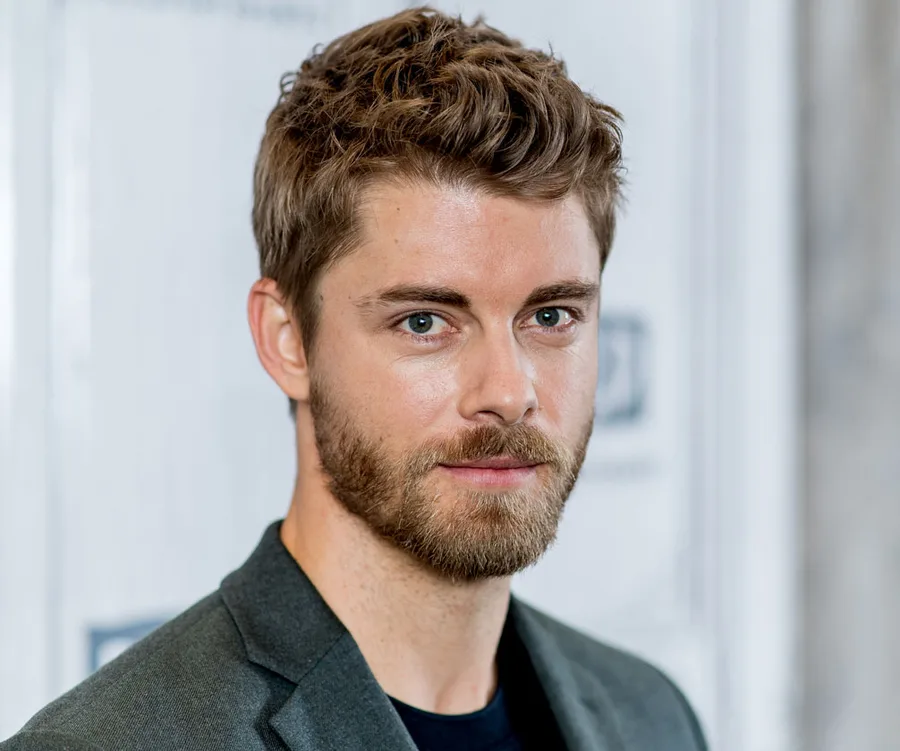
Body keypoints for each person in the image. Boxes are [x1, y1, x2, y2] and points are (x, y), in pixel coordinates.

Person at [2, 7, 707, 750]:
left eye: (552, 315)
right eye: (426, 322)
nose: (508, 389)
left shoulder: (651, 716)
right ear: (287, 341)